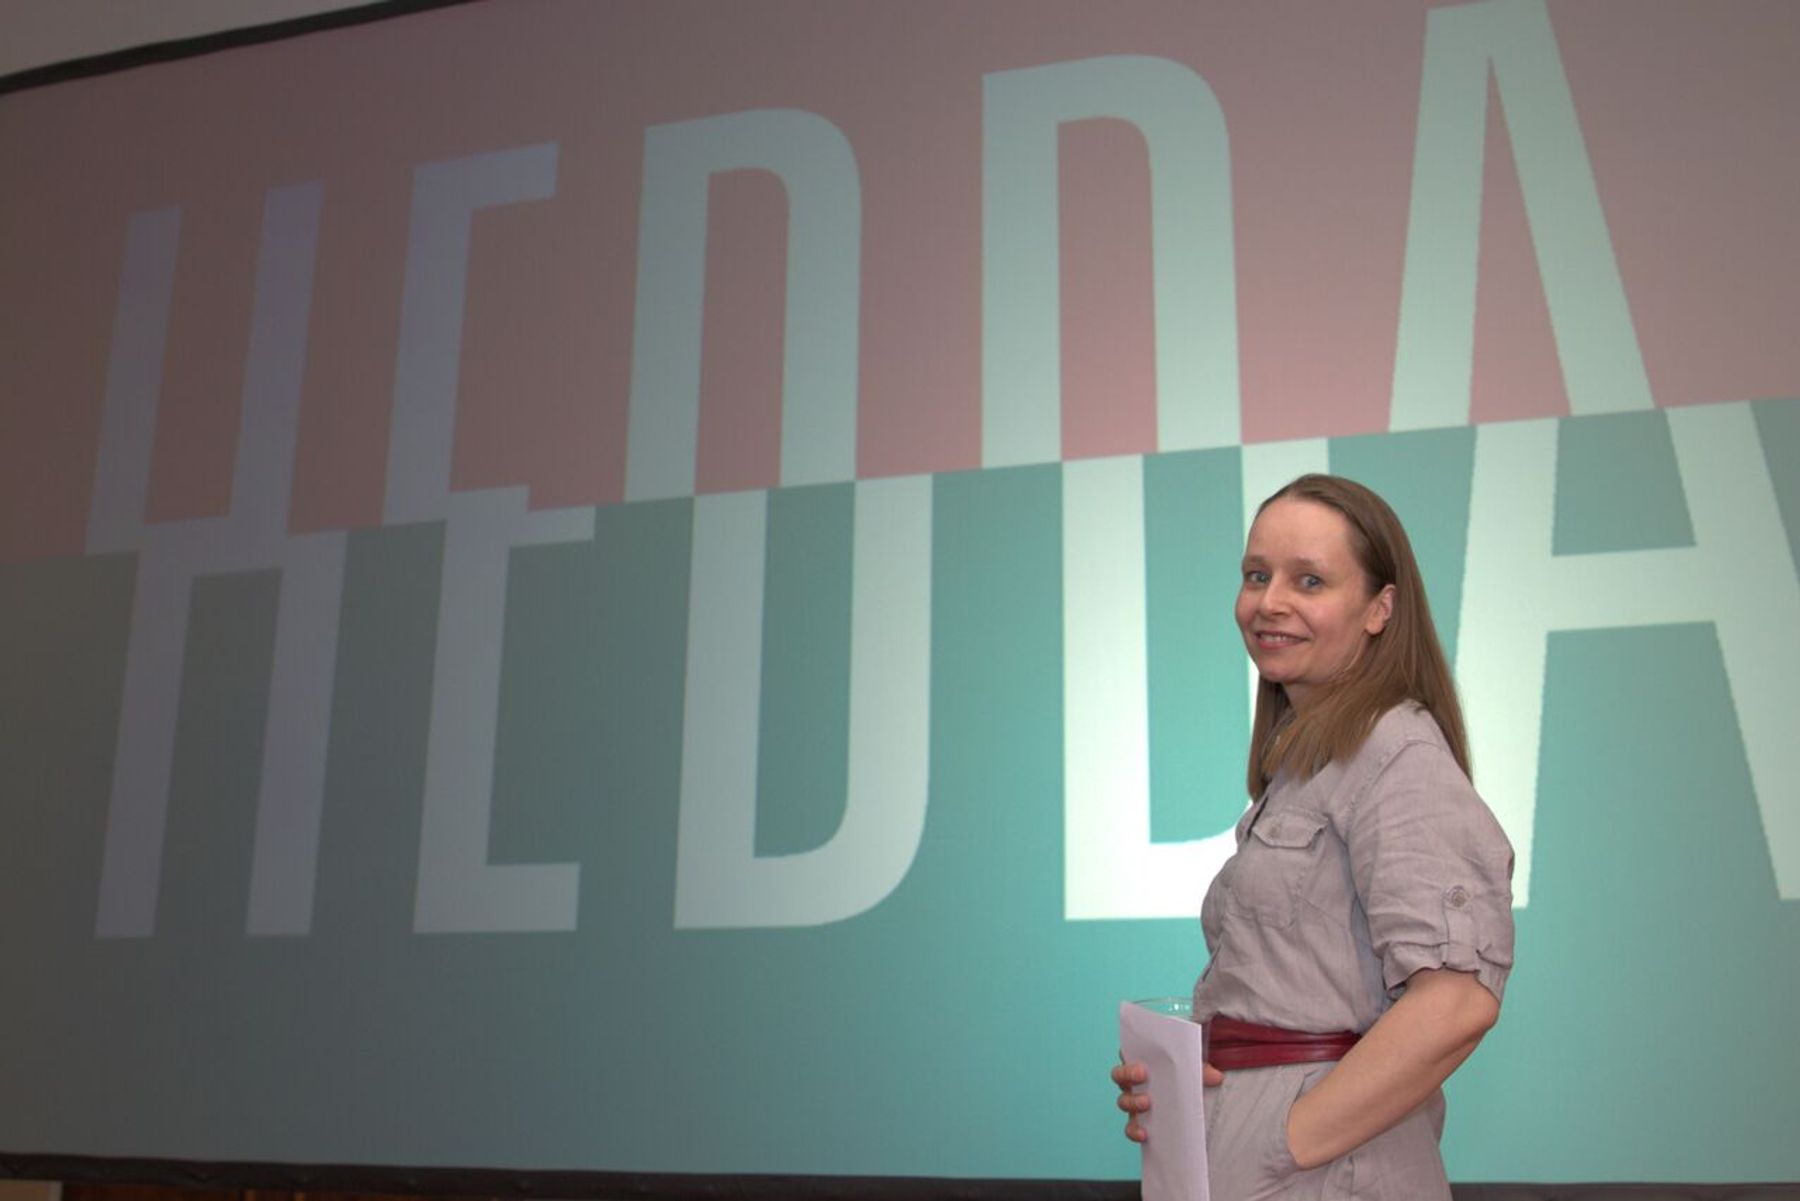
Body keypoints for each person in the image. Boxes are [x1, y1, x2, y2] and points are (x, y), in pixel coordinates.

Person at [1110, 474, 1514, 1200]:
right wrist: (1200, 1083)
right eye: (1256, 575)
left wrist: (1277, 1139)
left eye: (1310, 580)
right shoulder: (1305, 767)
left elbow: (1457, 1002)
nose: (1269, 602)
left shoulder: (1397, 755)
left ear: (1380, 608)